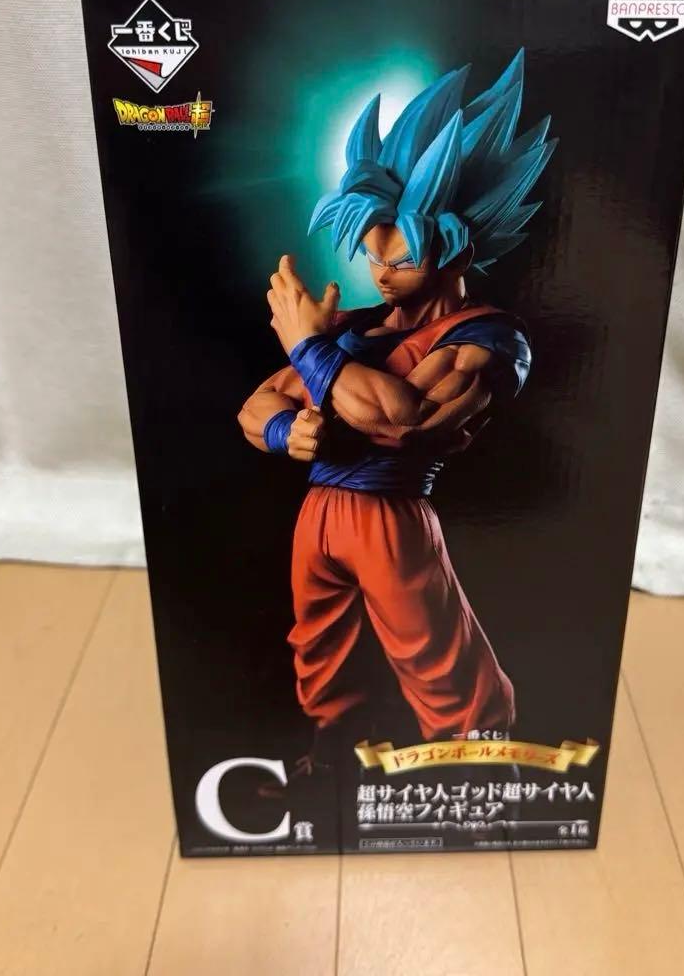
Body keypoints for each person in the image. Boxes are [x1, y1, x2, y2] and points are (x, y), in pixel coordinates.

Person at [237, 50, 555, 783]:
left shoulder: (485, 337)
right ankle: (332, 771)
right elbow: (255, 406)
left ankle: (481, 779)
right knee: (321, 655)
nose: (380, 274)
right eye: (374, 256)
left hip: (390, 511)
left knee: (438, 660)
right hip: (320, 512)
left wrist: (308, 348)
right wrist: (290, 429)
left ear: (456, 253)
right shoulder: (356, 326)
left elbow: (403, 422)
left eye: (400, 260)